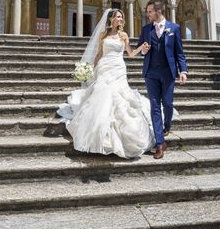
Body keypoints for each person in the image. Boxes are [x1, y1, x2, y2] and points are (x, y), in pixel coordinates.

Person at [57, 9, 155, 158]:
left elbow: (130, 53)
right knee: (102, 97)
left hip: (119, 68)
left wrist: (141, 48)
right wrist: (90, 69)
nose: (121, 19)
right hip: (105, 68)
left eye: (122, 17)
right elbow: (98, 54)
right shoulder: (103, 35)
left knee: (120, 99)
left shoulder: (123, 35)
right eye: (118, 17)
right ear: (111, 19)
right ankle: (100, 135)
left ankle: (121, 138)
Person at [138, 0, 188, 159]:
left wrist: (183, 70)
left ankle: (167, 125)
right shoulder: (146, 29)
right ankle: (160, 143)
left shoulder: (174, 28)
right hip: (151, 72)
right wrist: (143, 51)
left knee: (167, 104)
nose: (148, 14)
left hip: (168, 72)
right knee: (154, 107)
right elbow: (140, 49)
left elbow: (179, 52)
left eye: (150, 11)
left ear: (158, 11)